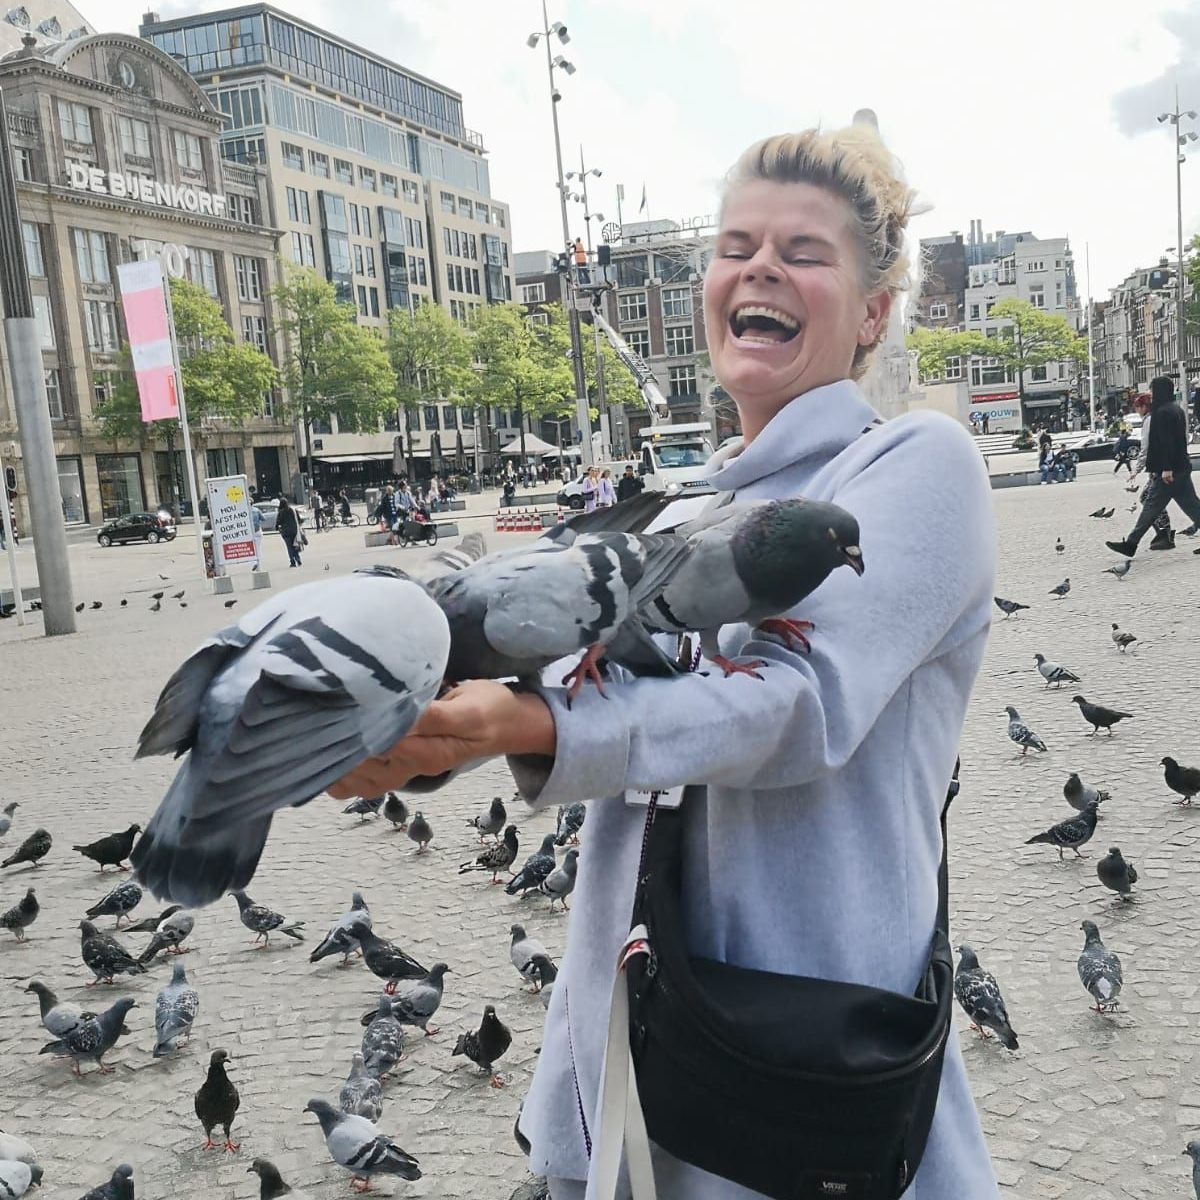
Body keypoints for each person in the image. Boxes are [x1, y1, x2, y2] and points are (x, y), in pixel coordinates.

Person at [331, 121, 1000, 1199]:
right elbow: (576, 693)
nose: (760, 266)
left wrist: (538, 727)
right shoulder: (680, 512)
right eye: (736, 247)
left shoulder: (916, 467)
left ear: (875, 311)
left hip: (805, 1077)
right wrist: (425, 730)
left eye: (803, 252)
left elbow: (793, 705)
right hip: (634, 1076)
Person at [1107, 375, 1200, 557]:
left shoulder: (1161, 412)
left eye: (1153, 389)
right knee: (1193, 507)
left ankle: (1131, 544)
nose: (1151, 392)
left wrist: (1166, 468)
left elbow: (1165, 442)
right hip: (1181, 466)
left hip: (1169, 471)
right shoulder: (1176, 409)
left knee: (1151, 507)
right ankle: (1132, 543)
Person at [1128, 392, 1174, 550]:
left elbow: (1145, 448)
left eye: (1138, 407)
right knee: (1151, 499)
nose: (1137, 410)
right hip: (1164, 467)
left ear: (1143, 407)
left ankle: (1164, 533)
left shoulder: (1149, 421)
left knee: (1149, 499)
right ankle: (1164, 533)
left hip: (1160, 469)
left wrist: (1136, 469)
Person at [276, 496, 302, 567]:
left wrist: (277, 527)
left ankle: (292, 561)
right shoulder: (292, 510)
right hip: (294, 530)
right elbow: (299, 520)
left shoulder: (281, 512)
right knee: (295, 545)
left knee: (289, 547)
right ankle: (298, 559)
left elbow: (278, 522)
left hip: (285, 532)